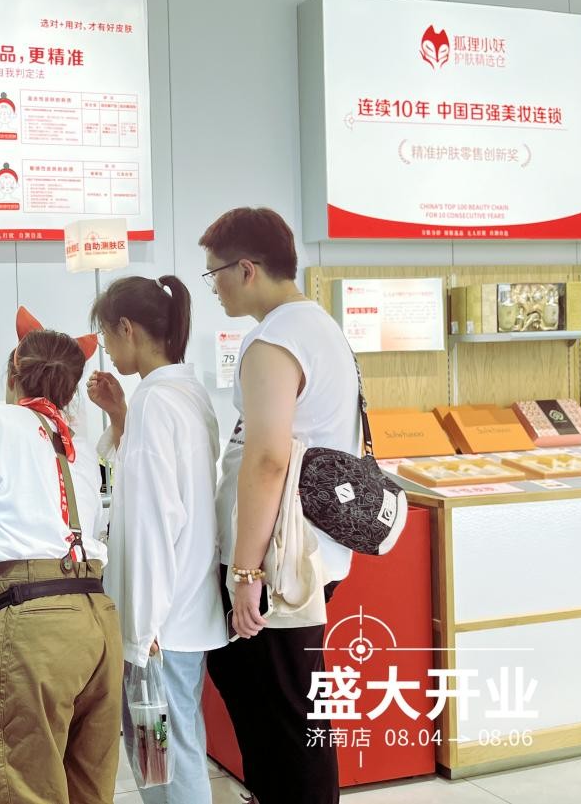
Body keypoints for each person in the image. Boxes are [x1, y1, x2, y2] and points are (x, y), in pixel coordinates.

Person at [0, 312, 122, 804]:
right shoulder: (76, 443)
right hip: (98, 619)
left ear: (14, 372)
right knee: (88, 789)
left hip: (34, 621)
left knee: (25, 788)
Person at [201, 207, 355, 804]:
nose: (213, 286)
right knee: (279, 705)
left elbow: (267, 460)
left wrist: (245, 573)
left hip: (280, 560)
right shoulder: (319, 326)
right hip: (306, 550)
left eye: (214, 273)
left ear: (246, 269)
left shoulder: (274, 341)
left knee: (287, 717)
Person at [87, 275, 226, 804]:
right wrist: (120, 418)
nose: (107, 348)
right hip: (185, 610)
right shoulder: (185, 393)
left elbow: (152, 522)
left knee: (165, 755)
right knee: (168, 750)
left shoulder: (155, 402)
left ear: (127, 328)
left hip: (160, 625)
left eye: (107, 335)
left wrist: (141, 627)